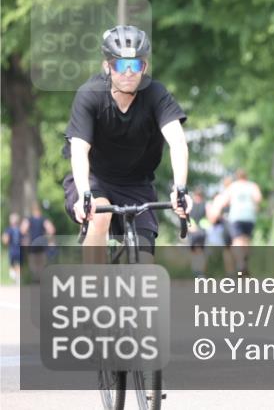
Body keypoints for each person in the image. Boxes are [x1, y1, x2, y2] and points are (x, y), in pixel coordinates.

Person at [62, 25, 190, 262]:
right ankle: (91, 279)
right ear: (107, 67)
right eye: (121, 65)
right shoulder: (90, 94)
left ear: (145, 67)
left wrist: (180, 190)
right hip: (94, 178)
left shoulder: (156, 94)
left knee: (146, 263)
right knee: (99, 216)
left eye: (136, 65)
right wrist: (85, 195)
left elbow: (178, 141)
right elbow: (79, 149)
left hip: (137, 184)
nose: (129, 72)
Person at [211, 168, 261, 273]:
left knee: (237, 240)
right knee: (246, 240)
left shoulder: (233, 186)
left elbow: (223, 201)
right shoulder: (252, 186)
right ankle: (244, 260)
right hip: (249, 216)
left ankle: (240, 262)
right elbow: (258, 198)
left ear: (237, 177)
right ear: (246, 176)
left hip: (236, 216)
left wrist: (216, 212)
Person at [23, 203, 55, 282]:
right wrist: (49, 239)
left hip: (32, 244)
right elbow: (51, 230)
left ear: (32, 211)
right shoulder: (43, 219)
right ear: (39, 210)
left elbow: (23, 229)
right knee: (42, 264)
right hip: (42, 244)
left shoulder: (29, 219)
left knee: (33, 264)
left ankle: (36, 279)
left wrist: (27, 235)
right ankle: (40, 279)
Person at [187, 189, 208, 278]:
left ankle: (197, 272)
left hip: (193, 231)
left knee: (195, 252)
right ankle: (200, 273)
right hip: (202, 231)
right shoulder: (205, 205)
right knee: (200, 252)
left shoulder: (190, 206)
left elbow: (186, 219)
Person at [3, 214, 23, 282]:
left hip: (19, 249)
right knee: (12, 263)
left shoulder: (19, 229)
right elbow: (5, 240)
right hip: (12, 249)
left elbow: (23, 238)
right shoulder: (8, 229)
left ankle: (18, 277)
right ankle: (13, 273)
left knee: (18, 264)